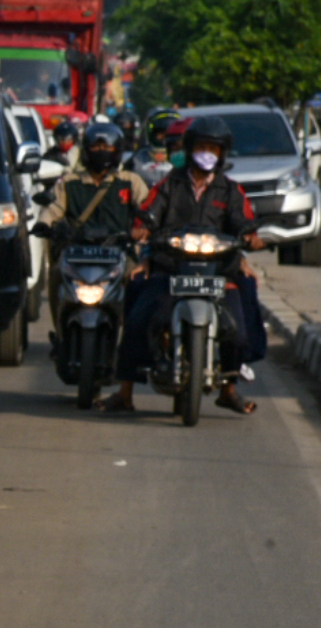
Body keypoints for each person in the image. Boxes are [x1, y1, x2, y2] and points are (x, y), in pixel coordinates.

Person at [97, 116, 266, 415]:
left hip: (218, 271)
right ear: (189, 149)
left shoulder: (230, 190)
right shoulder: (168, 184)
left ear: (222, 153)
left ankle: (229, 389)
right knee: (138, 313)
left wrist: (250, 237)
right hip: (170, 270)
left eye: (213, 148)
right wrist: (143, 229)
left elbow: (244, 221)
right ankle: (125, 391)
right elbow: (148, 213)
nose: (207, 153)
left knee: (239, 325)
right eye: (201, 147)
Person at [33, 122, 150, 342]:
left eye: (107, 147)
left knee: (138, 282)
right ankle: (61, 334)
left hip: (119, 254)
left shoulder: (130, 181)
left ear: (117, 151)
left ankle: (133, 340)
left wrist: (143, 228)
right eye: (96, 148)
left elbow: (147, 208)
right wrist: (44, 225)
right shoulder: (69, 183)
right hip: (77, 254)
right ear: (86, 150)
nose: (101, 152)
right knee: (57, 275)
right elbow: (53, 210)